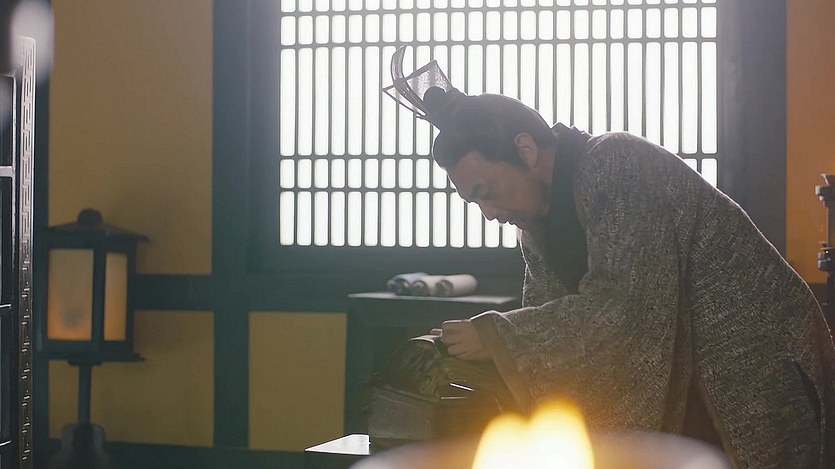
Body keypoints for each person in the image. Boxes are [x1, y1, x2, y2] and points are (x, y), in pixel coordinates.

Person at [384, 62, 835, 466]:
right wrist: (490, 346)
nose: (488, 213)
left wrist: (498, 335)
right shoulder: (536, 224)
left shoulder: (615, 163)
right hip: (690, 377)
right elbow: (551, 325)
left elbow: (624, 307)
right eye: (474, 202)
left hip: (750, 359)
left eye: (487, 192)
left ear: (525, 150)